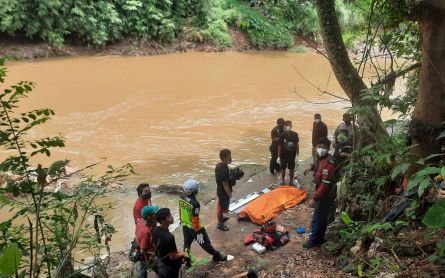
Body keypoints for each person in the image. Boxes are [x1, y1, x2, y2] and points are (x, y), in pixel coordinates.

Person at [179, 179, 227, 262]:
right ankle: (217, 255)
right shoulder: (195, 203)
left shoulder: (182, 196)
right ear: (195, 191)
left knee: (187, 244)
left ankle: (187, 261)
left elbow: (180, 209)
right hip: (195, 228)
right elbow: (195, 218)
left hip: (185, 225)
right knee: (205, 244)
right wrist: (198, 232)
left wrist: (181, 219)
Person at [303, 137, 336, 248]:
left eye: (324, 147)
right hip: (321, 190)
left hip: (325, 193)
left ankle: (314, 240)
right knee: (321, 216)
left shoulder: (329, 163)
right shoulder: (321, 158)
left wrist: (315, 198)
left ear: (328, 148)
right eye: (319, 146)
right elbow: (318, 166)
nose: (321, 149)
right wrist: (311, 168)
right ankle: (319, 237)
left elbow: (325, 184)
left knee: (318, 216)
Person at [153, 208, 187, 278]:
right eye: (169, 217)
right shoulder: (169, 237)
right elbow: (173, 256)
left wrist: (177, 252)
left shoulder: (155, 230)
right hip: (169, 266)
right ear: (162, 221)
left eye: (171, 215)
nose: (172, 217)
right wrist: (183, 253)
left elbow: (159, 246)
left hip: (160, 260)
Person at [135, 205, 159, 278]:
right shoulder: (147, 232)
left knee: (142, 271)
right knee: (160, 271)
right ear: (149, 217)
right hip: (146, 256)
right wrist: (151, 257)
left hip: (138, 251)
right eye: (154, 214)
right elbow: (143, 249)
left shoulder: (140, 221)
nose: (155, 215)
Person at [215, 149, 233, 231]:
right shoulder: (224, 169)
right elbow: (225, 185)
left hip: (219, 189)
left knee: (221, 205)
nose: (231, 157)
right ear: (225, 157)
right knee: (220, 207)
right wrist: (230, 195)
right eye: (229, 156)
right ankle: (220, 224)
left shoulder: (219, 165)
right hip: (223, 192)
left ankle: (221, 218)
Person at [278, 120, 299, 186]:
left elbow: (297, 144)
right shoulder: (282, 136)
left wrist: (297, 154)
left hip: (292, 154)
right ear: (284, 126)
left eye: (290, 125)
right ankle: (282, 180)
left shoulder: (295, 134)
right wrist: (278, 156)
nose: (289, 127)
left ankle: (291, 181)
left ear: (291, 126)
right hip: (283, 155)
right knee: (283, 168)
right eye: (287, 125)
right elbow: (279, 146)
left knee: (292, 168)